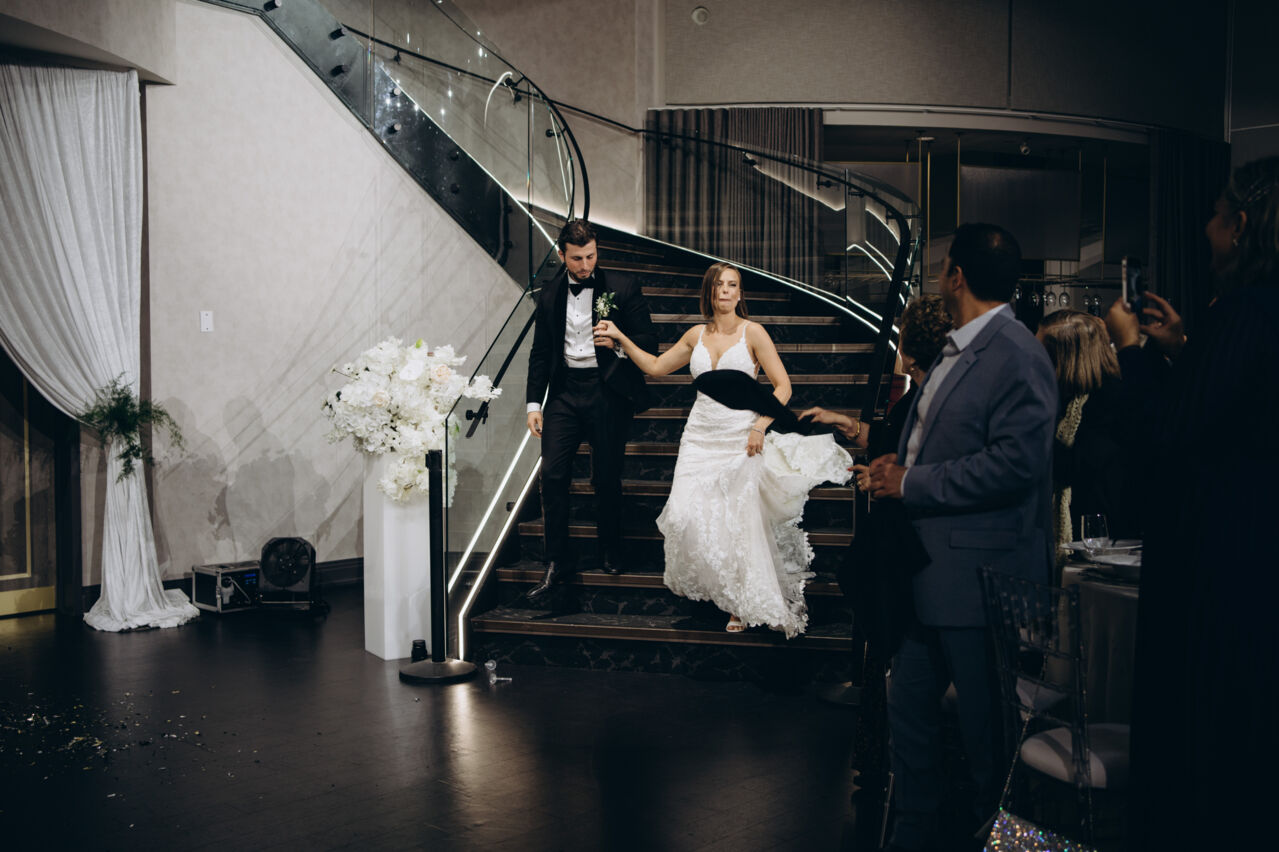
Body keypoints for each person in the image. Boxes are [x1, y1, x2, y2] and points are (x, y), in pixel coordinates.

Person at [866, 223, 1057, 852]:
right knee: (909, 717)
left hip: (979, 582)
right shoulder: (958, 347)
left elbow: (1017, 465)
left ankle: (997, 843)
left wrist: (912, 482)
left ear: (957, 276)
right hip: (926, 573)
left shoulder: (1018, 352)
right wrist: (896, 466)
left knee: (987, 743)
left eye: (942, 266)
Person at [1130, 156, 1279, 849]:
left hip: (1219, 552)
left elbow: (1170, 436)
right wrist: (1184, 347)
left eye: (1216, 215)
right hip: (1258, 544)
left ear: (1240, 225)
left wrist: (1134, 352)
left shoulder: (1244, 311)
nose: (1206, 229)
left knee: (1204, 731)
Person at [594, 261, 851, 637]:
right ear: (710, 292)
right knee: (684, 515)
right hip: (698, 437)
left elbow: (783, 387)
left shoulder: (754, 332)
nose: (726, 291)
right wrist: (620, 337)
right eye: (719, 285)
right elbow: (656, 366)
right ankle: (718, 586)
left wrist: (760, 426)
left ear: (740, 293)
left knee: (735, 523)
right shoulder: (694, 335)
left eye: (732, 285)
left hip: (739, 437)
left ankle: (738, 603)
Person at [524, 220, 655, 597]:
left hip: (606, 389)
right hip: (564, 392)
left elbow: (650, 342)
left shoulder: (623, 287)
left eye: (591, 256)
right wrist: (534, 403)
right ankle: (557, 559)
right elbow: (540, 352)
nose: (585, 265)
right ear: (562, 255)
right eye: (577, 258)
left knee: (607, 477)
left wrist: (618, 341)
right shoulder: (550, 293)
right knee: (552, 475)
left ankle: (610, 547)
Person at [1036, 309, 1138, 554]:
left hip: (1102, 544)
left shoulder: (1110, 400)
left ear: (1065, 358)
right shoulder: (1063, 398)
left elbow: (1073, 467)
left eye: (1040, 353)